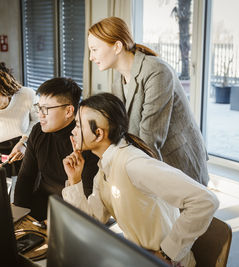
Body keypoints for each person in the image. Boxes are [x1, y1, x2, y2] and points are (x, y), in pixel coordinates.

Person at [62, 93, 219, 267]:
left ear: (98, 134)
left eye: (77, 125)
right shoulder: (105, 165)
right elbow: (92, 220)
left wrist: (168, 254)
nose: (73, 131)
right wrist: (75, 180)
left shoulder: (133, 164)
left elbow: (205, 200)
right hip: (138, 257)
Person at [87, 17, 209, 186]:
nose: (91, 57)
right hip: (149, 163)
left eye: (94, 50)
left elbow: (149, 138)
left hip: (177, 163)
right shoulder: (118, 80)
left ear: (117, 46)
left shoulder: (157, 71)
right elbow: (122, 129)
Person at [13, 77, 99, 221]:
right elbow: (26, 177)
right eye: (39, 108)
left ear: (68, 111)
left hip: (72, 213)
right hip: (40, 206)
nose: (40, 114)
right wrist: (18, 214)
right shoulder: (37, 131)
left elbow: (88, 196)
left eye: (46, 109)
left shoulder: (85, 140)